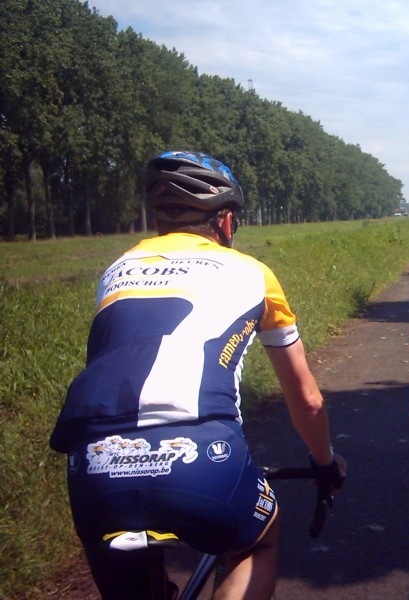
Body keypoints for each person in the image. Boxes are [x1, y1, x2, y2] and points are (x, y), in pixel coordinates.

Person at [50, 150, 346, 600]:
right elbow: (306, 399)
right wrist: (324, 462)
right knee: (255, 543)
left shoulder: (116, 271)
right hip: (200, 455)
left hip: (94, 465)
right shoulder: (253, 272)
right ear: (226, 223)